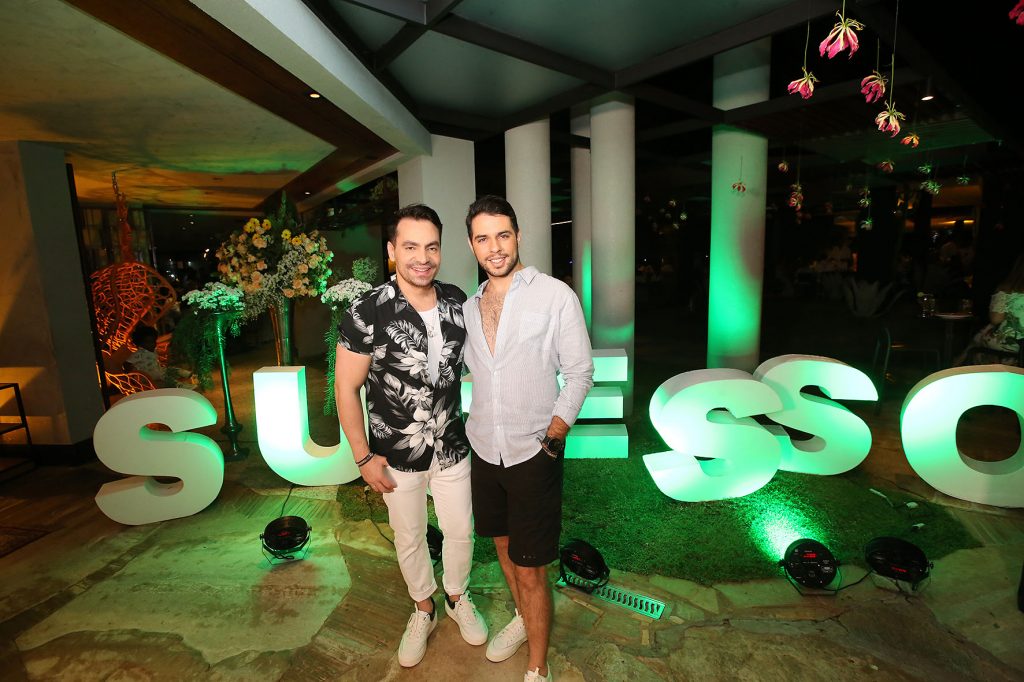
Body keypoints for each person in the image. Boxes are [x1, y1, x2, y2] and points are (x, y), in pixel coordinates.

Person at [335, 204, 487, 667]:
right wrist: (363, 457)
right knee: (409, 535)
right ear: (392, 250)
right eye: (411, 247)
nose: (422, 258)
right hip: (395, 452)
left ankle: (457, 596)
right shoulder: (367, 310)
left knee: (461, 530)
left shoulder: (457, 301)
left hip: (452, 444)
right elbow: (346, 387)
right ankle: (424, 607)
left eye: (431, 247)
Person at [462, 195, 594, 682]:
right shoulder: (469, 308)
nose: (494, 247)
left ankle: (538, 666)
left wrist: (552, 440)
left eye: (503, 235)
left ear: (518, 236)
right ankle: (522, 618)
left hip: (533, 453)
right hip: (483, 450)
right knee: (502, 546)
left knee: (532, 566)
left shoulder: (555, 295)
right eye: (483, 238)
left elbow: (579, 373)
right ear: (472, 245)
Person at [956, 252, 1024, 365]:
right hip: (1017, 349)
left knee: (982, 337)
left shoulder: (1006, 290)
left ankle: (958, 366)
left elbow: (996, 319)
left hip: (1012, 346)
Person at [124, 325, 191, 387]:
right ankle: (180, 385)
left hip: (158, 370)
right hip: (149, 376)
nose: (152, 344)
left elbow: (158, 355)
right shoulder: (138, 354)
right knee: (166, 378)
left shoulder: (153, 350)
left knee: (171, 369)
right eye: (147, 342)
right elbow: (127, 363)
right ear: (139, 343)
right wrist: (131, 375)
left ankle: (188, 374)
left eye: (153, 341)